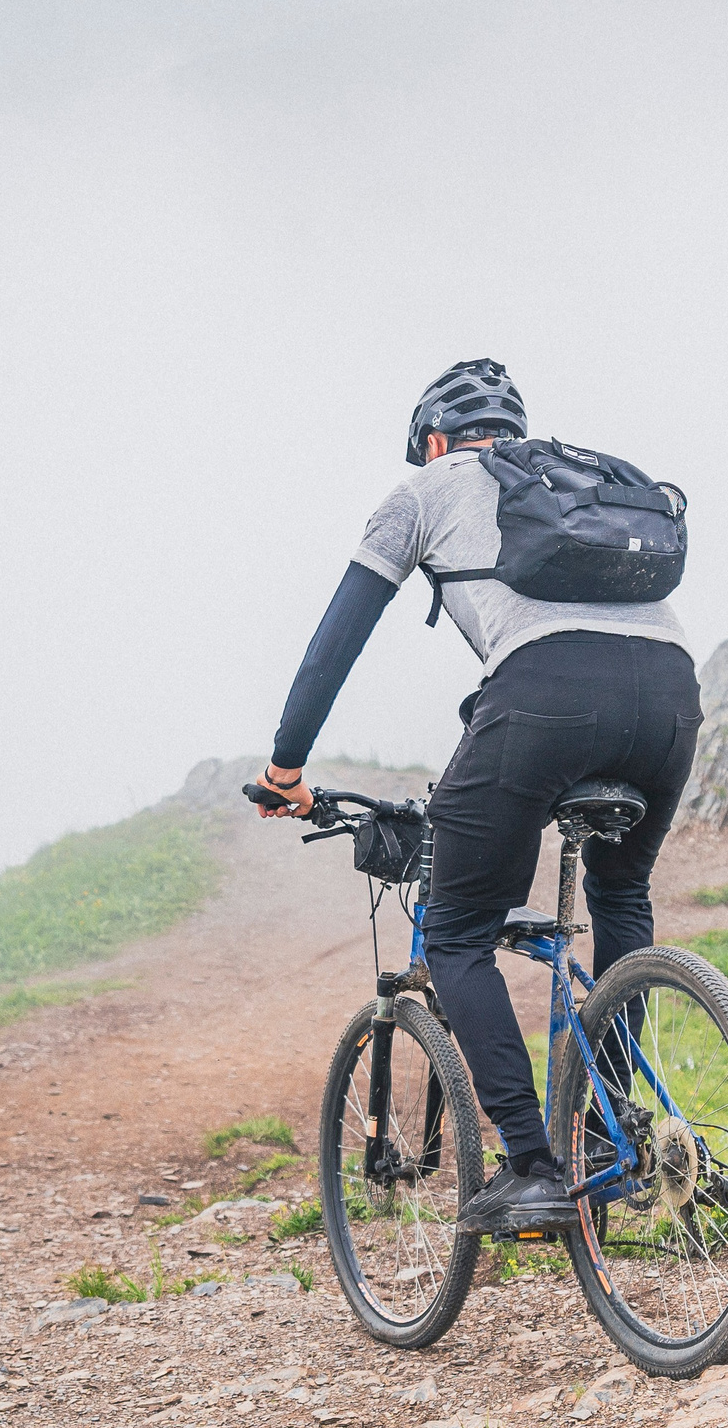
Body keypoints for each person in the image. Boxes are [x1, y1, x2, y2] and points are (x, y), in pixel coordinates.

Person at [252, 358, 701, 1235]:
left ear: (433, 441)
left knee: (457, 930)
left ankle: (532, 1166)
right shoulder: (571, 479)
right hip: (672, 695)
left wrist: (285, 769)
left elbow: (336, 640)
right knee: (621, 894)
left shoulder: (423, 491)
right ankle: (609, 1136)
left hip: (544, 692)